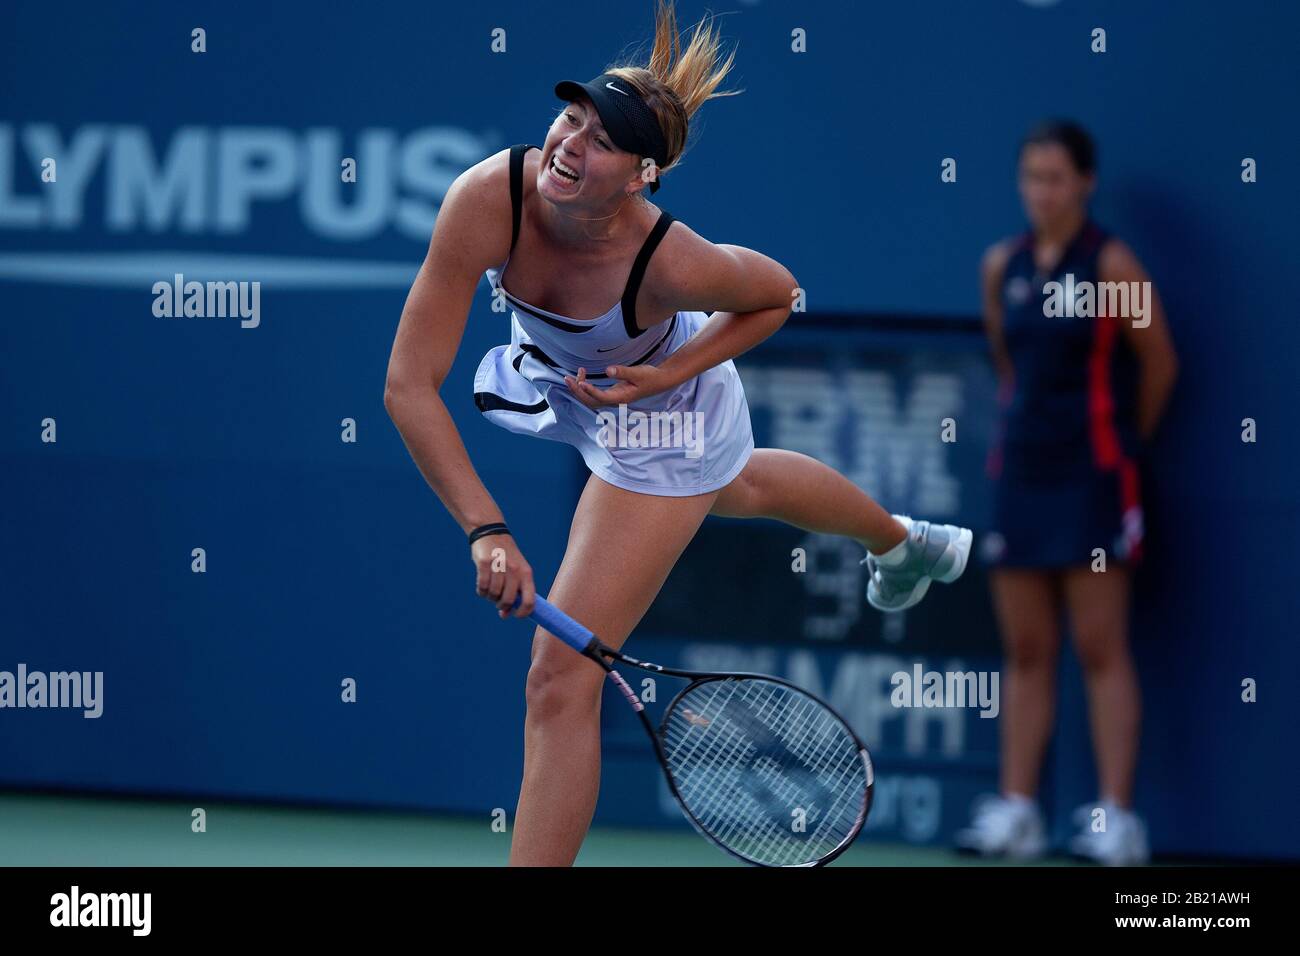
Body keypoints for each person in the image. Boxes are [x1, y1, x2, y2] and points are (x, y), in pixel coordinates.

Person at [384, 0, 972, 865]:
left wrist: (667, 376)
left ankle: (902, 544)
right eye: (570, 117)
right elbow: (407, 386)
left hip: (663, 415)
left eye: (600, 139)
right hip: (580, 381)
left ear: (642, 177)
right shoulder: (488, 196)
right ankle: (905, 544)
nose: (568, 144)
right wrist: (486, 527)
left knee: (558, 680)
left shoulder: (670, 259)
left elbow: (777, 294)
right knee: (744, 488)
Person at [956, 120, 1179, 865]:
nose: (1040, 192)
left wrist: (1118, 447)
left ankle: (1117, 819)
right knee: (1025, 648)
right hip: (1020, 477)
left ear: (1084, 182)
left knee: (1100, 646)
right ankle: (1017, 811)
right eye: (1030, 178)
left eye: (1055, 178)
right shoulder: (1001, 265)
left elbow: (1159, 363)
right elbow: (1004, 360)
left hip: (1094, 481)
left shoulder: (1112, 264)